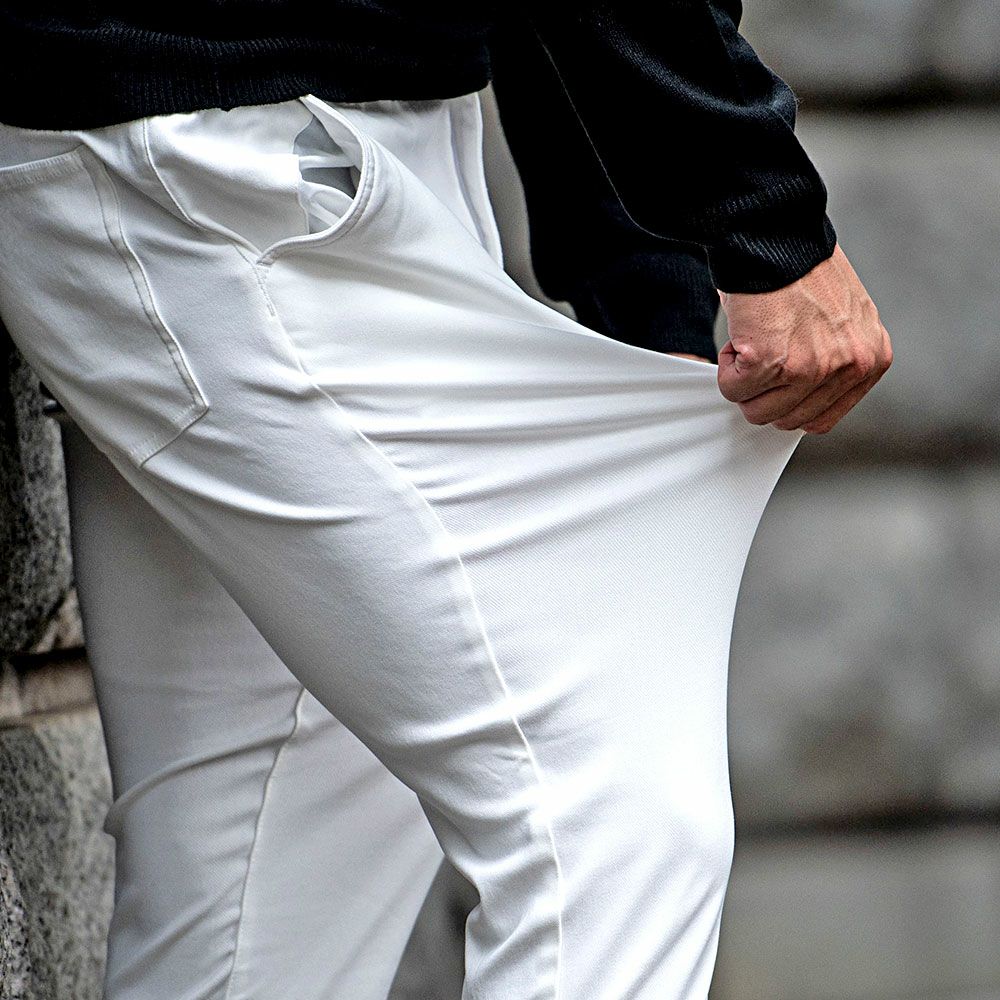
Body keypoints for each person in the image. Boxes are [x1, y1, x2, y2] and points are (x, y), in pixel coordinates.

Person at [0, 5, 892, 999]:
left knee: (266, 891)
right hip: (229, 164)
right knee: (606, 823)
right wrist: (756, 213)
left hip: (267, 142)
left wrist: (653, 291)